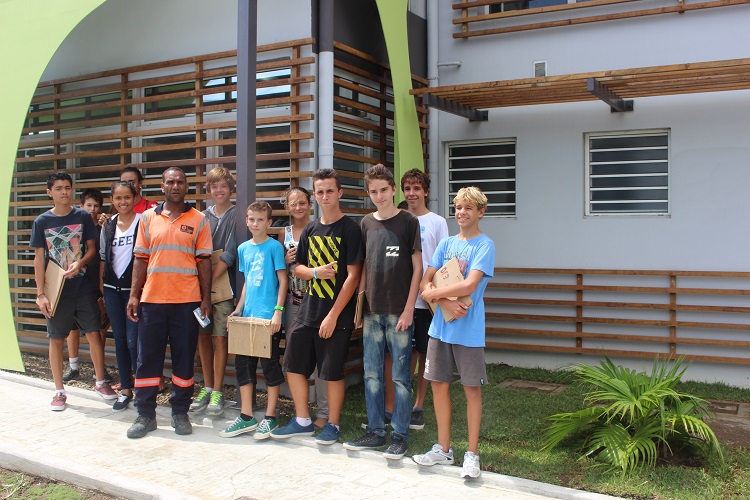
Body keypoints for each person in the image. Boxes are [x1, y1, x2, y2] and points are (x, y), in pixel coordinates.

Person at [270, 168, 363, 446]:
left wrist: (333, 316)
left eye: (329, 191)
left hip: (337, 314)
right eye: (320, 191)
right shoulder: (310, 229)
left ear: (339, 193)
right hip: (307, 310)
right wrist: (315, 273)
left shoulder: (350, 229)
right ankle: (302, 420)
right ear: (315, 195)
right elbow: (298, 267)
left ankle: (332, 424)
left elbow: (353, 276)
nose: (325, 196)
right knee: (293, 365)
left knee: (331, 372)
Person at [411, 186, 496, 479]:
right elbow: (425, 281)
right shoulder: (445, 243)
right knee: (438, 385)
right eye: (458, 207)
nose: (462, 212)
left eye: (468, 208)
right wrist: (443, 300)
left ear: (480, 212)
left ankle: (472, 454)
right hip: (440, 329)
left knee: (471, 390)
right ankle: (443, 449)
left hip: (468, 332)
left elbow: (470, 285)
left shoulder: (485, 245)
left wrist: (435, 293)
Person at [125, 167, 212, 439]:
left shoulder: (199, 219)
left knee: (184, 359)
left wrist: (206, 298)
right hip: (152, 300)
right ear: (162, 186)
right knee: (147, 359)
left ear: (187, 186)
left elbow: (204, 261)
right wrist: (134, 295)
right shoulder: (148, 218)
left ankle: (180, 412)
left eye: (180, 181)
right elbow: (140, 258)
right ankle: (145, 414)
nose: (175, 186)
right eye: (170, 182)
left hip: (187, 302)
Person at [342, 164, 421, 460]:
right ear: (368, 193)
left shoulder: (409, 221)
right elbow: (363, 269)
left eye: (384, 190)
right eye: (373, 191)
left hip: (400, 312)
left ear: (393, 189)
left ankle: (400, 435)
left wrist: (410, 308)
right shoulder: (365, 223)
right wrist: (360, 307)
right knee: (371, 375)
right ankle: (375, 432)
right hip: (372, 313)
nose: (379, 196)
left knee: (400, 377)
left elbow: (418, 269)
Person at [31, 172, 117, 411]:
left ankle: (100, 382)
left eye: (67, 187)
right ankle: (59, 391)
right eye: (58, 188)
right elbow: (39, 259)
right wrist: (41, 294)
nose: (64, 192)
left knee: (93, 333)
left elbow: (92, 250)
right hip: (56, 291)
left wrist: (80, 263)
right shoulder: (42, 221)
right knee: (56, 338)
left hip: (84, 288)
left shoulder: (82, 217)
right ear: (49, 192)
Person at [220, 201, 286, 439]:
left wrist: (278, 311)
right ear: (246, 221)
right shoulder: (243, 249)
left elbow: (283, 280)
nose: (255, 224)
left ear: (269, 222)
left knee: (270, 367)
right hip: (247, 317)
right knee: (244, 366)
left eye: (260, 220)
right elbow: (248, 282)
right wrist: (238, 309)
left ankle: (270, 417)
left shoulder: (274, 247)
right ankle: (247, 416)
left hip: (268, 318)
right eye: (251, 219)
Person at [400, 168, 448, 430]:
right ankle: (402, 404)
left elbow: (443, 262)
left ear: (426, 191)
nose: (412, 193)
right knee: (404, 356)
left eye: (417, 188)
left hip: (427, 302)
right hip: (401, 299)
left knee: (424, 354)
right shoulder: (398, 219)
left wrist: (436, 294)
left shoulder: (437, 222)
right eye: (407, 188)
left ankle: (418, 405)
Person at [190, 167, 237, 417]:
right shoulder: (201, 216)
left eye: (223, 186)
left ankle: (218, 390)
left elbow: (229, 254)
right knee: (202, 336)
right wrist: (201, 286)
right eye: (214, 186)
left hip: (224, 287)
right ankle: (207, 387)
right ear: (208, 190)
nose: (219, 191)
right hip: (199, 286)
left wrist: (206, 283)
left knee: (221, 337)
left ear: (231, 188)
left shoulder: (237, 214)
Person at [281, 186, 328, 430]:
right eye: (293, 203)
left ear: (310, 204)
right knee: (295, 358)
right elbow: (280, 269)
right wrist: (286, 259)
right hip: (294, 302)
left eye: (302, 202)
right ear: (287, 207)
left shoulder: (318, 228)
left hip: (317, 301)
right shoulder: (285, 232)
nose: (298, 207)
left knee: (321, 358)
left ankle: (324, 411)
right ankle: (301, 411)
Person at [62, 188, 113, 385]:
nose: (92, 209)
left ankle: (98, 369)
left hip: (95, 284)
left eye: (96, 206)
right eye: (88, 205)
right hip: (75, 283)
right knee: (72, 328)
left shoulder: (103, 228)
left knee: (97, 329)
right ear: (81, 205)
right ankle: (73, 366)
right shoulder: (74, 227)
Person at [100, 181, 141, 412]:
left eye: (127, 197)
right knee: (120, 340)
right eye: (118, 198)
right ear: (112, 200)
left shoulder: (142, 222)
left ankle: (143, 389)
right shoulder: (108, 225)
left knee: (134, 342)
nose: (123, 202)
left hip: (133, 292)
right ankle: (125, 390)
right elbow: (103, 257)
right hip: (111, 290)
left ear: (134, 198)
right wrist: (102, 290)